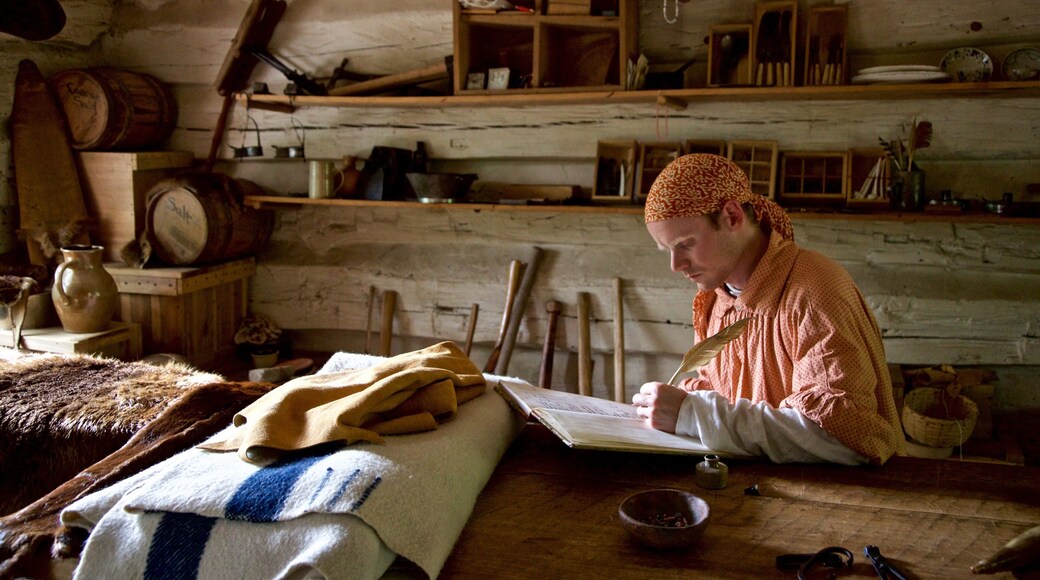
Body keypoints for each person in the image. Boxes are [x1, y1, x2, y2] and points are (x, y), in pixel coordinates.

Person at [631, 153, 904, 464]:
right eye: (667, 249)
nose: (675, 265)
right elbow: (722, 396)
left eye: (686, 243)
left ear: (732, 216)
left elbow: (843, 438)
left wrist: (695, 416)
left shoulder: (816, 291)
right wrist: (681, 406)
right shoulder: (716, 300)